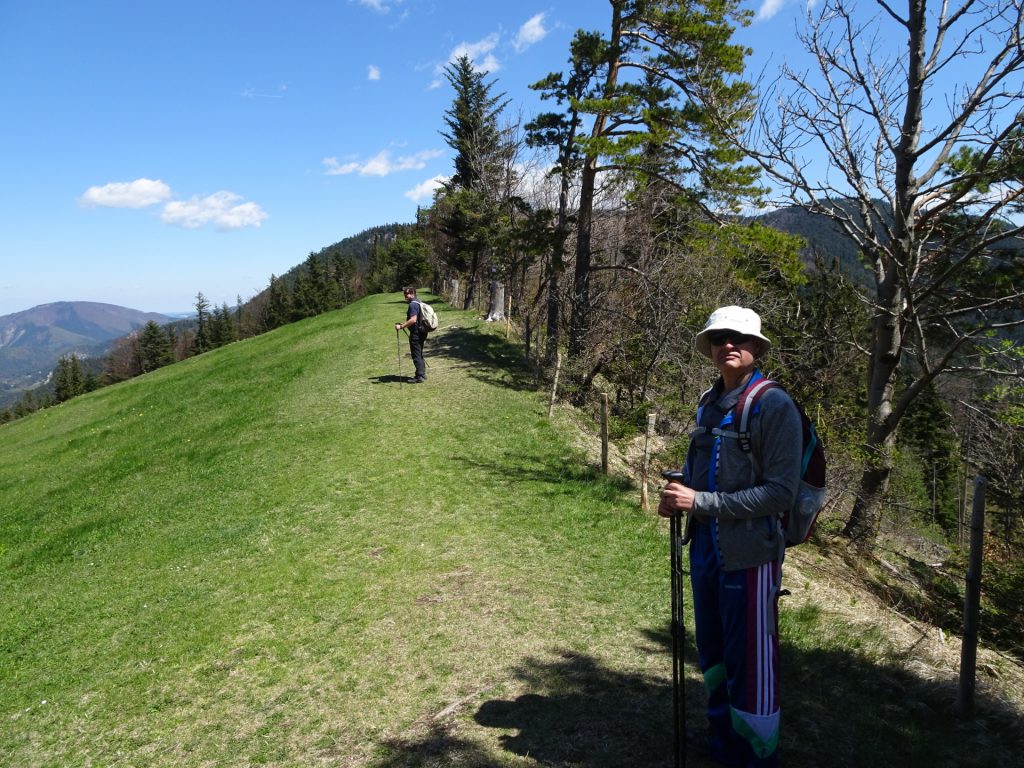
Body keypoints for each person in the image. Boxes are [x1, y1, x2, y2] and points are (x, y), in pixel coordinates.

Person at [659, 306, 802, 768]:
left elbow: (781, 493)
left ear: (757, 347)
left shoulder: (773, 405)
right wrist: (678, 491)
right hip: (705, 549)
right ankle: (724, 740)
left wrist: (698, 503)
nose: (728, 344)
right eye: (719, 337)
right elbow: (699, 472)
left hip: (751, 556)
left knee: (753, 664)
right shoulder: (709, 401)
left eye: (739, 337)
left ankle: (756, 755)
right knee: (716, 652)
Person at [395, 286, 427, 383]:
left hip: (416, 333)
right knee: (419, 353)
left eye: (407, 294)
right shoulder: (418, 301)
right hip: (422, 332)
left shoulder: (412, 305)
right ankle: (422, 373)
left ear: (413, 293)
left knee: (416, 355)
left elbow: (413, 320)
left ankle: (419, 376)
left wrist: (401, 326)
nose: (406, 296)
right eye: (405, 294)